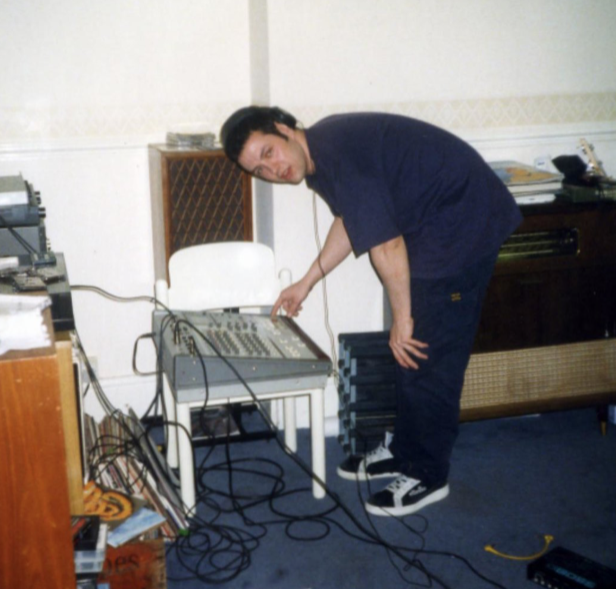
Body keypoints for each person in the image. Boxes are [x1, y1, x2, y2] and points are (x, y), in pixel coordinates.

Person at [220, 106, 522, 517]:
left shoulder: (341, 156)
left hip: (462, 222)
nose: (272, 170)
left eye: (269, 152)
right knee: (407, 346)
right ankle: (403, 450)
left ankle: (428, 474)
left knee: (425, 353)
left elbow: (386, 246)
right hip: (436, 221)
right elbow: (350, 221)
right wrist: (306, 282)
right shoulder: (318, 157)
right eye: (259, 170)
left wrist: (404, 318)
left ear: (285, 128)